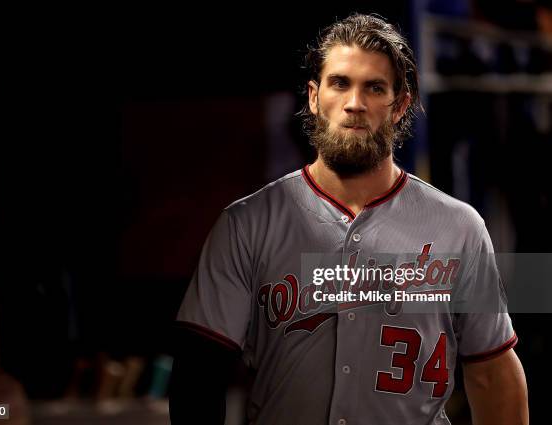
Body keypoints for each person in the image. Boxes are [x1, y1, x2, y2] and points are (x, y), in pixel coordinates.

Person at [169, 14, 529, 425]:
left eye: (374, 88)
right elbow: (199, 375)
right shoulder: (246, 224)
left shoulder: (460, 227)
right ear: (313, 97)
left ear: (401, 106)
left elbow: (492, 374)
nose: (354, 103)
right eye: (340, 83)